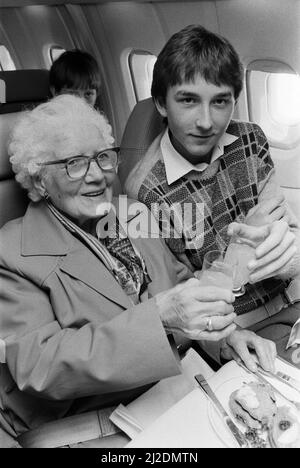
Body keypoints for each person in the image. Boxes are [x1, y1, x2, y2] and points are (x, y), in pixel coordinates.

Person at [0, 94, 276, 448]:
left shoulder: (131, 213)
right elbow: (40, 365)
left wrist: (224, 337)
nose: (97, 175)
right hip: (89, 421)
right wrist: (157, 318)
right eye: (74, 164)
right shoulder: (11, 252)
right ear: (38, 181)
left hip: (167, 391)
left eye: (102, 157)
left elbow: (180, 289)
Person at [124, 24, 300, 363]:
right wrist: (246, 243)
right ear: (161, 103)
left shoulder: (251, 139)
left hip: (292, 293)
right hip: (234, 327)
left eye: (220, 101)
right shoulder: (141, 192)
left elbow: (284, 232)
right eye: (188, 100)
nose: (206, 121)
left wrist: (287, 251)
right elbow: (177, 296)